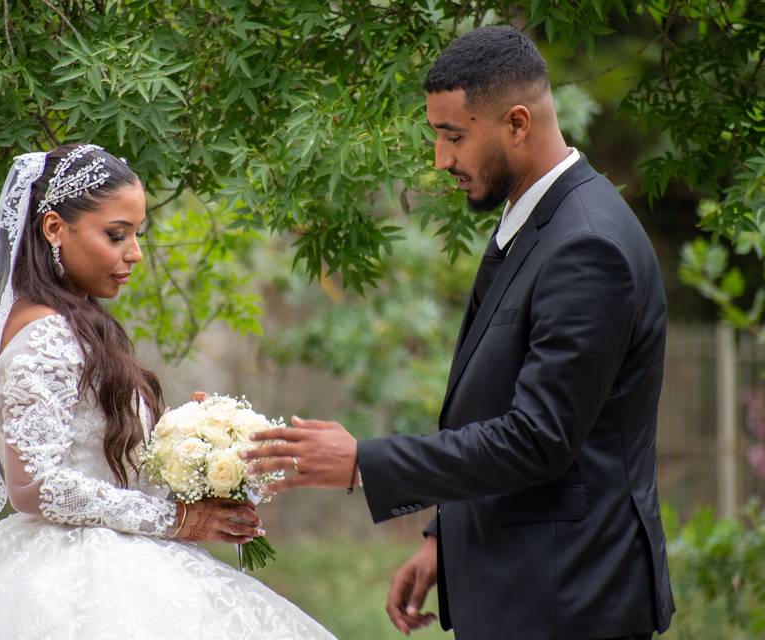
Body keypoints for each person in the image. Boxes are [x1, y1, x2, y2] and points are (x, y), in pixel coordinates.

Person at [243, 25, 675, 640]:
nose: (442, 160)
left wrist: (362, 462)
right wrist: (446, 533)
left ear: (517, 123)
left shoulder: (586, 245)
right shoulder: (534, 221)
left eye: (454, 136)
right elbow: (496, 401)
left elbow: (537, 440)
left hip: (569, 601)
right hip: (523, 585)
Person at [0, 144, 336, 639]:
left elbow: (93, 452)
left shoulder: (77, 325)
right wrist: (176, 518)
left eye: (136, 234)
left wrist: (196, 454)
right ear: (55, 227)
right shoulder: (46, 336)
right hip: (67, 577)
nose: (134, 253)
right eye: (116, 235)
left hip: (113, 553)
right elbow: (38, 487)